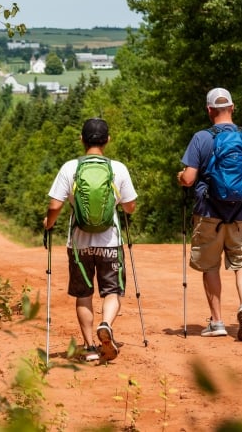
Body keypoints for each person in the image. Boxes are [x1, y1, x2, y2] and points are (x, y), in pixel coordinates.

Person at [177, 87, 242, 341]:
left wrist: (181, 179)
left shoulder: (201, 138)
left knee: (210, 266)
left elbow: (188, 178)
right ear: (233, 107)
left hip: (208, 213)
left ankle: (217, 322)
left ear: (209, 110)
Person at [43, 118, 137, 361]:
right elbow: (130, 207)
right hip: (110, 243)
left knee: (83, 294)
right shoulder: (118, 168)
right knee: (112, 292)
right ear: (107, 140)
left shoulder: (70, 168)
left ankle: (90, 348)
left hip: (79, 245)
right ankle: (105, 324)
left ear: (82, 139)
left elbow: (55, 205)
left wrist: (48, 223)